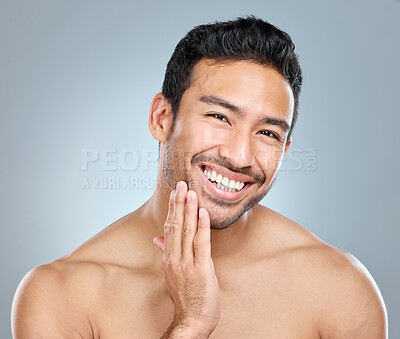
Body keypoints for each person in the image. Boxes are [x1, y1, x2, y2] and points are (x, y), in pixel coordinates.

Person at [12, 16, 387, 338]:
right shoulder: (59, 295)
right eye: (219, 117)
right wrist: (190, 324)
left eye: (268, 133)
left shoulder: (340, 289)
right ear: (162, 118)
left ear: (285, 150)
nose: (240, 156)